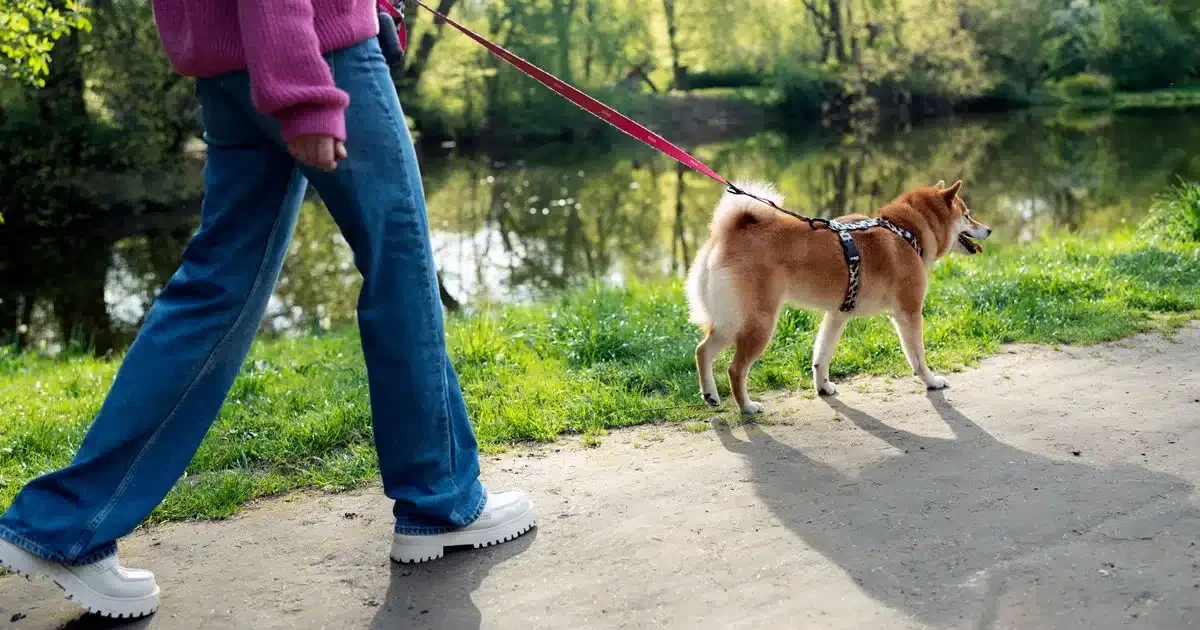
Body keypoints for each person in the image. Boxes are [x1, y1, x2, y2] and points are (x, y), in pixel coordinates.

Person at [0, 0, 535, 619]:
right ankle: (440, 503)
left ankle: (69, 520)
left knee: (213, 293)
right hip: (314, 51)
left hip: (231, 62)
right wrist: (303, 90)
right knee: (401, 271)